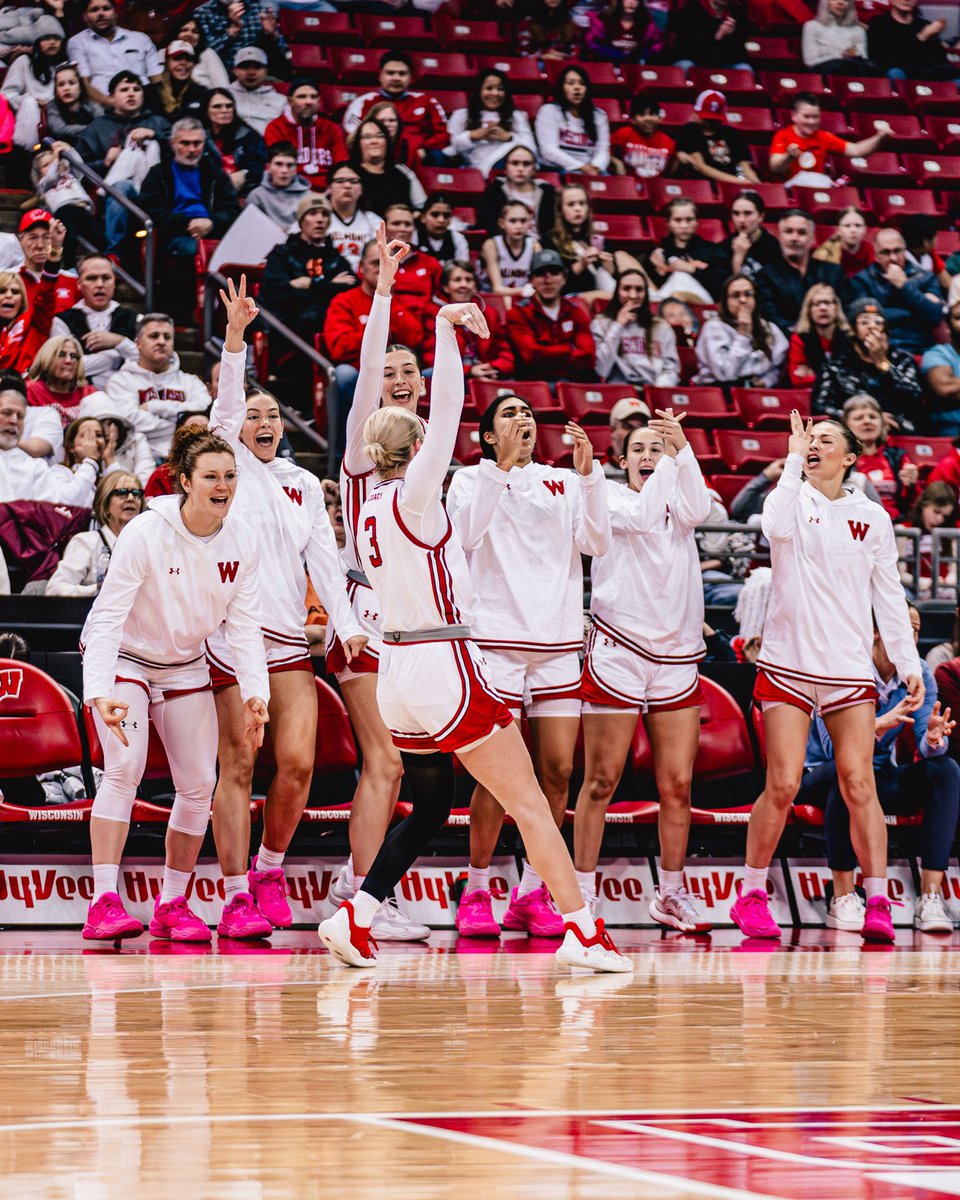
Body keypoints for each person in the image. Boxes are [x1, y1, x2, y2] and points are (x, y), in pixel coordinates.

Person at [316, 302, 631, 975]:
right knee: (532, 804)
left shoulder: (361, 498)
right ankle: (582, 929)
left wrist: (394, 301)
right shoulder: (418, 498)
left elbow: (381, 391)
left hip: (395, 672)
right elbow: (454, 404)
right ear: (416, 448)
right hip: (443, 662)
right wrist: (444, 331)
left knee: (429, 806)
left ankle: (358, 915)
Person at [206, 277, 368, 939]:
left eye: (272, 416)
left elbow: (325, 564)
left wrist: (348, 625)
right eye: (254, 415)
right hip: (231, 639)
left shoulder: (303, 483)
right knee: (239, 765)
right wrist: (237, 342)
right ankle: (236, 892)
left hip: (288, 644)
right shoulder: (228, 470)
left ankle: (271, 867)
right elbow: (223, 409)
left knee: (297, 762)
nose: (264, 423)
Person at [729, 412, 923, 944]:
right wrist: (792, 459)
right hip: (789, 662)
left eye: (824, 440)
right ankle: (750, 894)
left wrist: (907, 664)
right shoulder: (791, 496)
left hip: (847, 667)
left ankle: (878, 901)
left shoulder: (873, 518)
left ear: (850, 456)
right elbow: (772, 526)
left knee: (860, 783)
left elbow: (888, 594)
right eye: (809, 440)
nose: (813, 445)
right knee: (784, 782)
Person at [79, 425, 269, 943]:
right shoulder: (146, 531)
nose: (223, 485)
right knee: (124, 769)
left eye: (230, 475)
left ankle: (171, 903)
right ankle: (102, 902)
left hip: (185, 662)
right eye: (211, 476)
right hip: (125, 656)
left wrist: (257, 694)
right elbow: (108, 615)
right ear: (185, 481)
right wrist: (99, 690)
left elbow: (245, 626)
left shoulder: (243, 539)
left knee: (198, 785)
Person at [447, 394, 610, 939]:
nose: (523, 421)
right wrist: (500, 472)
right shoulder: (470, 481)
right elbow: (463, 537)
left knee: (558, 772)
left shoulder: (563, 481)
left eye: (527, 414)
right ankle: (474, 889)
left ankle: (531, 892)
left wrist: (589, 480)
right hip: (494, 641)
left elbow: (597, 542)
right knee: (498, 779)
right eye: (509, 415)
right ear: (489, 436)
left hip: (558, 641)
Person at [325, 223, 440, 944]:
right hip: (369, 620)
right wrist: (386, 291)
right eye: (387, 376)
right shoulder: (367, 455)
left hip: (417, 627)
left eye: (408, 373)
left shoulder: (432, 460)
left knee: (404, 770)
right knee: (387, 764)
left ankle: (360, 887)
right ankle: (360, 891)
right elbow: (367, 370)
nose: (395, 382)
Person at [574, 414, 713, 928]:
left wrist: (684, 449)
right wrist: (670, 464)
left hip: (677, 655)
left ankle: (671, 893)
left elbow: (698, 509)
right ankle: (581, 894)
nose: (648, 455)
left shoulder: (680, 495)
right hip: (620, 649)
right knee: (601, 780)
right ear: (623, 458)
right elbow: (643, 514)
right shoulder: (608, 496)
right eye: (639, 448)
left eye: (657, 447)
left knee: (677, 785)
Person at [804, 610, 958, 933]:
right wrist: (873, 727)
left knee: (946, 770)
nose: (912, 640)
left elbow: (925, 742)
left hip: (876, 777)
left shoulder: (920, 674)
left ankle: (929, 897)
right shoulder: (843, 667)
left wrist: (933, 740)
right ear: (876, 631)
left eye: (917, 631)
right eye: (906, 629)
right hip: (819, 773)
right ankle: (842, 895)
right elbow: (835, 749)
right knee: (846, 771)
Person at [323, 237, 428, 449]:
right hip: (359, 374)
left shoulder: (399, 302)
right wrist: (377, 331)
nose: (381, 268)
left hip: (394, 371)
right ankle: (344, 450)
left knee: (434, 373)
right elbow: (339, 347)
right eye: (375, 263)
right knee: (343, 375)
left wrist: (391, 306)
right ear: (361, 268)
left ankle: (426, 444)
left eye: (386, 263)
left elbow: (415, 339)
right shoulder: (344, 301)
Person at [139, 117, 240, 323]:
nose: (191, 149)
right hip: (175, 233)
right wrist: (186, 224)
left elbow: (231, 210)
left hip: (213, 232)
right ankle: (189, 316)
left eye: (197, 143)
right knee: (189, 252)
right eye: (185, 143)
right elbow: (151, 209)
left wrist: (211, 222)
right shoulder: (159, 173)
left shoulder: (215, 173)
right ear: (173, 143)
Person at [74, 72, 171, 255]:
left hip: (157, 188)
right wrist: (105, 162)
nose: (131, 93)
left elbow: (178, 153)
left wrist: (154, 135)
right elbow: (78, 170)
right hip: (114, 195)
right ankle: (113, 253)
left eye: (136, 89)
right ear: (112, 97)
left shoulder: (157, 122)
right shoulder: (97, 127)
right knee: (120, 187)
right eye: (124, 89)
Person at [106, 312, 211, 459]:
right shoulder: (121, 381)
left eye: (167, 337)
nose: (162, 341)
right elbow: (130, 422)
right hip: (138, 460)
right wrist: (182, 425)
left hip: (186, 461)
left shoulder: (191, 382)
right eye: (154, 336)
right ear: (138, 343)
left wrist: (153, 407)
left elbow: (203, 408)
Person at [813, 297, 923, 431]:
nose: (872, 326)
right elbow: (820, 405)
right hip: (853, 433)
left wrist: (882, 362)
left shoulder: (902, 358)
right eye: (864, 321)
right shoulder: (836, 365)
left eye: (878, 321)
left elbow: (915, 398)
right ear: (852, 330)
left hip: (900, 429)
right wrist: (863, 418)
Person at [261, 193, 355, 348]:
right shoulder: (282, 254)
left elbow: (351, 287)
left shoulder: (334, 256)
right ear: (301, 221)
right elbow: (276, 293)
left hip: (327, 323)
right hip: (286, 327)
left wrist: (310, 284)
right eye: (312, 214)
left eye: (325, 214)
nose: (320, 219)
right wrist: (330, 285)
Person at [46, 471, 144, 596]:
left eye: (136, 493)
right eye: (122, 493)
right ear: (105, 503)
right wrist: (99, 589)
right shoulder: (86, 542)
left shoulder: (147, 545)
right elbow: (55, 589)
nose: (131, 498)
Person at [505, 249, 597, 382]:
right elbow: (530, 355)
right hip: (536, 384)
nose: (548, 280)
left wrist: (546, 354)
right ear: (531, 280)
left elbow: (588, 356)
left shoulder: (576, 311)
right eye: (540, 274)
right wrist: (568, 349)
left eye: (554, 273)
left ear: (564, 278)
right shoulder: (519, 312)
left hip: (575, 382)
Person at [342, 51, 449, 164]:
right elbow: (351, 132)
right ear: (380, 76)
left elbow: (443, 134)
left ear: (410, 77)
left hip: (419, 160)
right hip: (374, 159)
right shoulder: (363, 102)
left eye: (402, 74)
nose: (396, 78)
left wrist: (425, 149)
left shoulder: (427, 102)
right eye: (390, 73)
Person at [851, 227, 945, 355]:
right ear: (876, 255)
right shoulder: (862, 280)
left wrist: (904, 285)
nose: (893, 258)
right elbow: (864, 321)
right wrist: (918, 304)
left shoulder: (926, 277)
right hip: (880, 349)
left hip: (922, 348)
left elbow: (934, 317)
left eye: (897, 251)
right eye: (885, 252)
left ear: (905, 251)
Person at [0, 386, 98, 507]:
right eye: (7, 413)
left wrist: (89, 464)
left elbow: (57, 507)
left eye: (20, 416)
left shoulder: (35, 468)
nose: (14, 420)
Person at [52, 254, 139, 390]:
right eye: (91, 278)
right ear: (79, 284)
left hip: (130, 395)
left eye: (106, 278)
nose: (99, 284)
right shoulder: (62, 321)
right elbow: (64, 367)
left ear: (114, 282)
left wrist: (119, 341)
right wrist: (117, 356)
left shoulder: (135, 318)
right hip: (79, 398)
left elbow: (148, 361)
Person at [757, 209, 849, 335]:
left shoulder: (833, 272)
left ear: (812, 239)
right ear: (780, 237)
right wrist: (803, 335)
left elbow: (844, 311)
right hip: (787, 342)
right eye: (788, 231)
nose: (795, 238)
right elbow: (770, 317)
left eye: (802, 232)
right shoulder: (766, 275)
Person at [769, 93, 889, 188]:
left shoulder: (824, 137)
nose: (811, 122)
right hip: (793, 190)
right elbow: (774, 167)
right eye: (806, 116)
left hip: (819, 188)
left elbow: (856, 150)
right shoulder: (783, 135)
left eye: (815, 117)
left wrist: (880, 138)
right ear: (794, 116)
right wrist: (789, 156)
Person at [429, 259, 516, 381]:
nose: (463, 285)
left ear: (475, 286)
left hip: (487, 372)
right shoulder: (435, 314)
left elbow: (505, 352)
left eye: (469, 280)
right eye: (457, 280)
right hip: (453, 374)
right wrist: (469, 371)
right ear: (446, 287)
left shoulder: (490, 313)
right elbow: (430, 357)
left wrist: (493, 368)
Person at [592, 268, 680, 387]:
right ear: (617, 292)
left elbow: (671, 369)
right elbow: (601, 369)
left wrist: (656, 390)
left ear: (646, 294)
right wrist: (617, 326)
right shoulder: (601, 323)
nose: (633, 295)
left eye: (639, 289)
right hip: (618, 392)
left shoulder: (661, 326)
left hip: (654, 390)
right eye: (626, 289)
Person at [694, 274, 789, 386]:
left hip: (756, 393)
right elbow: (724, 374)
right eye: (735, 295)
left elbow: (780, 367)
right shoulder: (714, 327)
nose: (743, 300)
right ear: (725, 301)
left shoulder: (769, 328)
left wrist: (767, 381)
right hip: (721, 390)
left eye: (748, 294)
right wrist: (743, 335)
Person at [0, 218, 66, 374]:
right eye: (2, 291)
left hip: (26, 391)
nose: (9, 296)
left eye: (16, 292)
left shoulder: (35, 322)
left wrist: (54, 253)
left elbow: (46, 292)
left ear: (22, 299)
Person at [67, 0, 161, 109]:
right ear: (85, 17)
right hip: (103, 108)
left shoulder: (140, 39)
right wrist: (113, 103)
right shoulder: (77, 42)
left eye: (106, 8)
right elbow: (84, 83)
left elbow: (157, 79)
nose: (101, 13)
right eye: (94, 10)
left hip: (145, 105)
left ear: (115, 13)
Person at [445, 69, 537, 180]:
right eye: (489, 88)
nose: (495, 93)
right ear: (478, 91)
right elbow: (450, 147)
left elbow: (531, 148)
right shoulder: (461, 115)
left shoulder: (516, 116)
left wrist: (509, 137)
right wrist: (473, 135)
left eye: (500, 89)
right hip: (474, 167)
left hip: (508, 165)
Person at [843, 392, 918, 522]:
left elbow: (912, 504)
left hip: (896, 526)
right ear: (846, 425)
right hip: (856, 525)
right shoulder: (842, 459)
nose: (867, 421)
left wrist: (911, 486)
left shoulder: (897, 456)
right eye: (859, 418)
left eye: (872, 417)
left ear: (882, 423)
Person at [542, 184, 624, 303]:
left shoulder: (599, 240)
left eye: (582, 203)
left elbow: (613, 279)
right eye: (571, 204)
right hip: (568, 298)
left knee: (622, 256)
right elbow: (552, 283)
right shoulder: (549, 240)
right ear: (560, 210)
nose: (577, 208)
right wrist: (581, 264)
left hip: (603, 295)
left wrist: (608, 265)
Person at [264, 77, 346, 193]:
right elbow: (276, 170)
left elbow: (341, 165)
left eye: (313, 97)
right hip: (290, 191)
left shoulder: (331, 128)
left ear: (319, 101)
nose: (308, 101)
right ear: (290, 101)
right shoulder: (276, 128)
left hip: (327, 193)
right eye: (301, 97)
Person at [645, 198, 728, 304]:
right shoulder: (659, 252)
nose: (684, 226)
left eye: (689, 220)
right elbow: (654, 286)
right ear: (668, 223)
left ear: (697, 222)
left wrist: (691, 269)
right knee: (621, 256)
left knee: (680, 276)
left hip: (701, 303)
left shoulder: (712, 250)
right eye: (678, 220)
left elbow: (722, 286)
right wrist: (658, 271)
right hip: (664, 299)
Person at [1, 19, 66, 150]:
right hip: (31, 118)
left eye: (56, 38)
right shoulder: (24, 61)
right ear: (37, 42)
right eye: (46, 38)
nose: (52, 42)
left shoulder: (62, 66)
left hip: (57, 118)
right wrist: (30, 101)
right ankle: (25, 151)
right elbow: (7, 93)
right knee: (29, 103)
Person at [534, 65, 610, 176]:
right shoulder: (549, 111)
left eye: (581, 84)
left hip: (590, 170)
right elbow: (548, 150)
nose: (577, 87)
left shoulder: (599, 115)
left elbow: (603, 149)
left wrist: (596, 167)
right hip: (556, 169)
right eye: (571, 83)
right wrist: (581, 167)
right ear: (562, 88)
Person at [675, 90, 759, 187]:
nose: (709, 123)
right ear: (695, 113)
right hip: (703, 185)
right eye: (706, 119)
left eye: (714, 120)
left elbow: (744, 166)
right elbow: (700, 166)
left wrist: (758, 185)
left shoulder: (732, 133)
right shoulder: (690, 130)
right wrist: (740, 182)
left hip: (734, 182)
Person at [348, 116, 426, 218]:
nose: (374, 141)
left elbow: (421, 207)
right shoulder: (347, 172)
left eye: (380, 136)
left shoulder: (403, 173)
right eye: (367, 137)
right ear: (358, 142)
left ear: (387, 141)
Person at [477, 145, 557, 240]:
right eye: (515, 163)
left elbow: (554, 226)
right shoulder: (494, 191)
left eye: (526, 164)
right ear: (505, 168)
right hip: (507, 245)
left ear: (534, 169)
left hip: (542, 246)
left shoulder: (547, 192)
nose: (520, 169)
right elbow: (488, 224)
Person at [867, 0, 960, 81]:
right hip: (899, 78)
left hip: (927, 77)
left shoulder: (925, 25)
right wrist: (922, 36)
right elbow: (886, 61)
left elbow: (940, 61)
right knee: (895, 73)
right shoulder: (879, 24)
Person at [193, 0, 288, 78]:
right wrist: (231, 32)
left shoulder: (260, 10)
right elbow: (204, 54)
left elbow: (285, 53)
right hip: (220, 75)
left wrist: (272, 35)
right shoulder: (202, 13)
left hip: (256, 75)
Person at [76, 389, 155, 482]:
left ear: (119, 425)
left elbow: (144, 485)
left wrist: (110, 459)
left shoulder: (137, 441)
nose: (105, 431)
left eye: (110, 423)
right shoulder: (77, 449)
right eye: (100, 424)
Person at [202, 87, 265, 198]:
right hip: (209, 193)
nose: (225, 110)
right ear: (206, 111)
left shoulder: (247, 135)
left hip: (246, 193)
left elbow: (258, 163)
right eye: (217, 106)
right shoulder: (198, 137)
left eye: (229, 106)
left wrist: (244, 173)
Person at [898, 481, 957, 598]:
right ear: (924, 504)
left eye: (945, 516)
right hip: (913, 592)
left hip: (945, 594)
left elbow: (953, 573)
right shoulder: (904, 531)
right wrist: (925, 582)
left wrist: (947, 582)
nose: (940, 519)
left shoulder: (948, 534)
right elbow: (900, 575)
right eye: (936, 512)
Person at [16, 207, 78, 312]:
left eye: (46, 237)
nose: (40, 245)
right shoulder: (8, 279)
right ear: (20, 240)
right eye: (33, 237)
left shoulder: (72, 281)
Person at [787, 283, 849, 386]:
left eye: (827, 302)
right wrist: (837, 376)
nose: (823, 308)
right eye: (816, 304)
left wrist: (815, 375)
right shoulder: (799, 338)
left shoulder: (849, 336)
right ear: (808, 310)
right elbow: (797, 380)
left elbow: (856, 375)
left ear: (836, 307)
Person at [26, 334, 94, 427]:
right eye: (61, 354)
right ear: (47, 357)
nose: (68, 360)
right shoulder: (29, 392)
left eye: (74, 356)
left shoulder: (90, 394)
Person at [802, 0, 882, 75]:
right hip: (823, 70)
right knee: (845, 65)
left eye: (845, 0)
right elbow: (810, 61)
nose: (841, 2)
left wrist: (854, 54)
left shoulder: (858, 30)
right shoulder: (812, 26)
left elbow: (863, 57)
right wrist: (840, 56)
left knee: (871, 67)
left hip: (854, 68)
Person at [245, 141, 310, 233]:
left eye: (290, 165)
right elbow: (249, 230)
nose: (284, 170)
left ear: (296, 169)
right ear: (268, 167)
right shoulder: (256, 196)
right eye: (278, 164)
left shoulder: (309, 197)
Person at [326, 160, 378, 272]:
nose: (347, 185)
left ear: (361, 188)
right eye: (340, 181)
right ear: (329, 187)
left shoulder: (374, 221)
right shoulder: (315, 218)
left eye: (354, 181)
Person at [611, 95, 675, 180]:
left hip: (657, 187)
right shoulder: (624, 133)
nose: (648, 118)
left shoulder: (668, 142)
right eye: (642, 114)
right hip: (627, 185)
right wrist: (617, 162)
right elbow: (604, 151)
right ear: (632, 119)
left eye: (652, 114)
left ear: (659, 118)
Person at [921, 299, 960, 437]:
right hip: (951, 430)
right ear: (948, 325)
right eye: (958, 317)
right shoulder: (936, 354)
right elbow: (945, 388)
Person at [723, 190, 782, 282]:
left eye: (747, 213)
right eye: (736, 213)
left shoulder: (775, 248)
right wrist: (737, 259)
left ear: (761, 216)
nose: (741, 219)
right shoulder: (723, 248)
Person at [228, 46, 284, 138]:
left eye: (257, 67)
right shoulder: (223, 97)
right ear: (235, 71)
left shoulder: (281, 101)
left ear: (266, 71)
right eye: (245, 67)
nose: (251, 72)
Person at [146, 39, 206, 120]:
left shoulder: (202, 93)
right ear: (167, 62)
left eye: (188, 59)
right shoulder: (151, 92)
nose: (183, 62)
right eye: (177, 58)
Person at [585, 0, 663, 63]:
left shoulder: (647, 24)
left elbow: (655, 46)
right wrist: (612, 53)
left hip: (634, 66)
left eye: (635, 0)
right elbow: (592, 43)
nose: (631, 2)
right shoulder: (605, 20)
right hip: (606, 64)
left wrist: (640, 54)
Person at [168, 16, 229, 92]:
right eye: (184, 30)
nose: (189, 34)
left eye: (195, 31)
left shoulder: (207, 54)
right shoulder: (166, 53)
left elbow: (223, 87)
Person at [45, 62, 101, 145]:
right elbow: (60, 130)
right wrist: (91, 128)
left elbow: (101, 122)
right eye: (61, 84)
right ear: (56, 90)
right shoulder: (52, 106)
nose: (66, 88)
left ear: (80, 87)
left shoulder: (89, 102)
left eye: (72, 83)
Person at [813, 206, 874, 277]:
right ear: (838, 230)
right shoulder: (824, 254)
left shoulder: (871, 250)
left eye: (858, 226)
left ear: (865, 229)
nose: (853, 230)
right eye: (847, 226)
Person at [415, 193, 469, 267]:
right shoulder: (414, 237)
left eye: (446, 215)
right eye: (435, 214)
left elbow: (462, 269)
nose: (441, 220)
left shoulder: (458, 239)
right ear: (423, 217)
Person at [516, 0, 584, 58]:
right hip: (536, 64)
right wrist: (543, 56)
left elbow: (576, 51)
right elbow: (523, 52)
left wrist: (562, 56)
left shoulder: (570, 23)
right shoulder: (527, 23)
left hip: (562, 64)